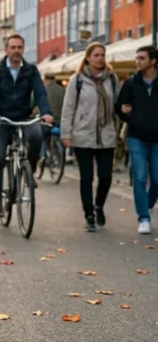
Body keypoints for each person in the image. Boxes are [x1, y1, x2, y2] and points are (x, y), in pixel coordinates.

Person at [0, 33, 53, 218]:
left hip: (23, 116)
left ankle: (29, 171)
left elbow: (40, 93)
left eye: (19, 47)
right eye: (12, 47)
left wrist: (46, 112)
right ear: (6, 50)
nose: (16, 51)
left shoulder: (31, 70)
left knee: (37, 136)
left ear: (23, 49)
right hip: (1, 119)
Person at [60, 42, 119, 232]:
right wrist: (66, 134)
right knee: (86, 178)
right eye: (96, 55)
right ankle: (89, 215)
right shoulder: (77, 80)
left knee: (106, 177)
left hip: (106, 135)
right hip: (82, 135)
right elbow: (68, 109)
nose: (100, 58)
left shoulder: (112, 79)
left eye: (103, 55)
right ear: (88, 58)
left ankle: (99, 205)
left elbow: (117, 105)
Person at [115, 45, 158, 234]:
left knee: (157, 180)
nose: (137, 61)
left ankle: (146, 205)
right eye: (137, 58)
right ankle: (144, 218)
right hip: (137, 137)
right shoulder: (132, 82)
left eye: (142, 58)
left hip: (157, 139)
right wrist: (128, 116)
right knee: (140, 177)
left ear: (153, 61)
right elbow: (119, 107)